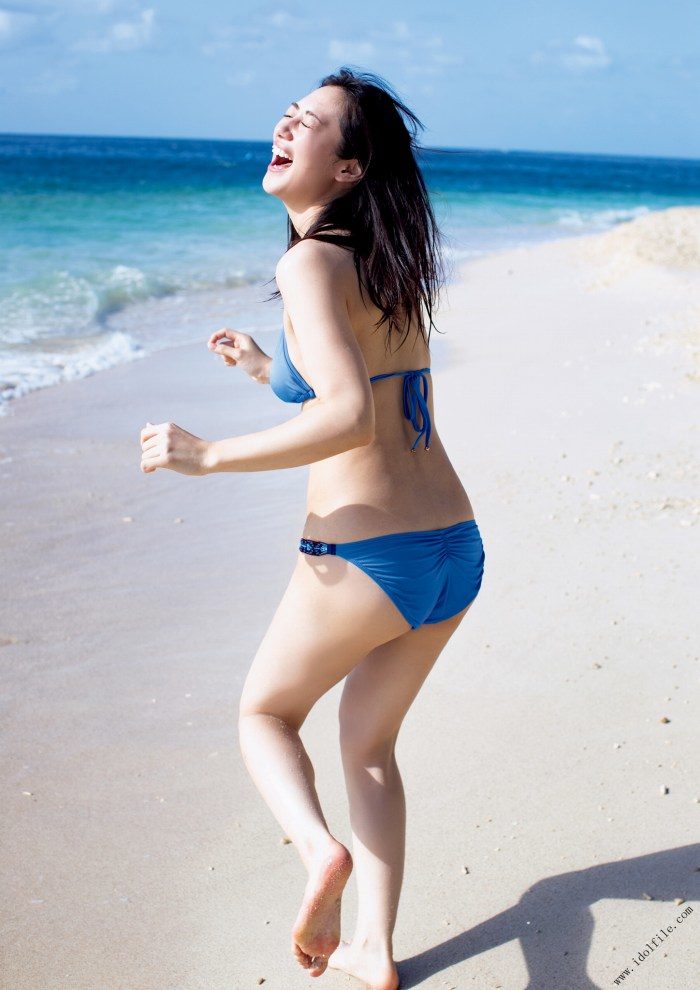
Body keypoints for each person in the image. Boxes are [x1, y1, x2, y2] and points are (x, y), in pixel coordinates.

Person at [139, 67, 485, 990]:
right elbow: (366, 384)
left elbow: (349, 417)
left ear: (348, 168)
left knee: (264, 715)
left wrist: (209, 455)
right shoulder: (386, 262)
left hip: (367, 554)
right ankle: (373, 947)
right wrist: (269, 370)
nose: (285, 127)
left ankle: (318, 852)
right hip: (454, 550)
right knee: (367, 748)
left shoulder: (307, 264)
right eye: (287, 115)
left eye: (309, 123)